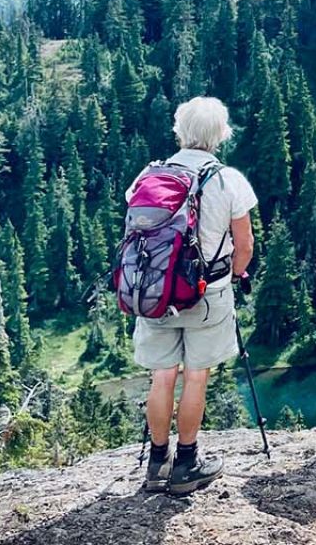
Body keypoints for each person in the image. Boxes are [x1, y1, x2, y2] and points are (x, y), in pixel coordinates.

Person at [131, 97, 257, 495]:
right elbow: (246, 245)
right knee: (195, 376)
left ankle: (156, 462)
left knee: (162, 375)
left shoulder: (148, 176)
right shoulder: (228, 179)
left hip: (156, 294)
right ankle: (187, 462)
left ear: (179, 131)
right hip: (208, 292)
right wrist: (236, 275)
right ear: (220, 135)